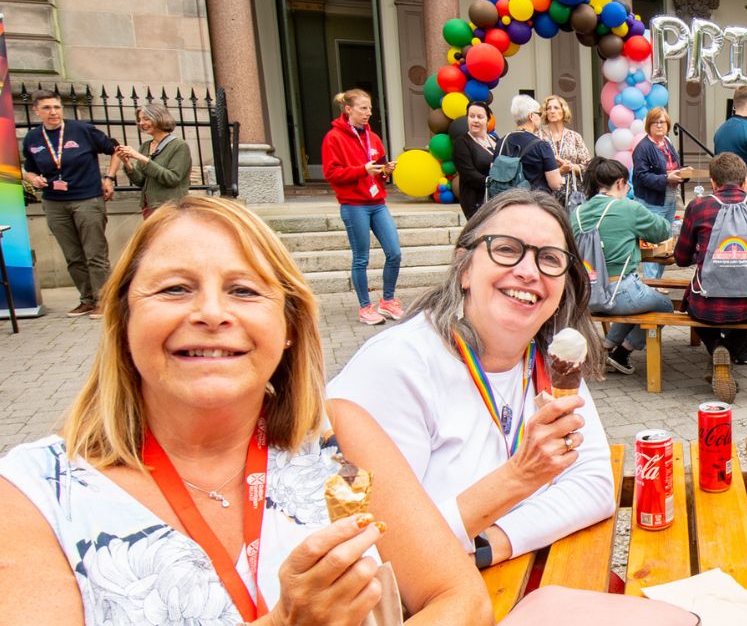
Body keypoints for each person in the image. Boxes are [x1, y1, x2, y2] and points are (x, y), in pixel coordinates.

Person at [0, 196, 492, 624]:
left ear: (289, 326)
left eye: (244, 290)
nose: (212, 313)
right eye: (175, 288)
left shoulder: (336, 436)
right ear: (123, 319)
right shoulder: (33, 494)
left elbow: (461, 598)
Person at [329, 189, 614, 570]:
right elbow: (374, 546)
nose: (529, 272)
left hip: (508, 576)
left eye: (549, 259)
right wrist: (519, 478)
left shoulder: (549, 359)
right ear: (464, 268)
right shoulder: (396, 366)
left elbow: (594, 486)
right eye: (508, 249)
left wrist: (491, 543)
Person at [674, 153, 747, 403]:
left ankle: (716, 348)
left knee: (690, 305)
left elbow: (681, 257)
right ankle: (730, 349)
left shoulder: (698, 206)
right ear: (745, 181)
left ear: (713, 183)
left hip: (706, 305)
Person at [20, 91, 118, 318]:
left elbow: (115, 151)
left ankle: (105, 301)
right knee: (73, 256)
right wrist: (32, 178)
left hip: (87, 199)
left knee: (95, 254)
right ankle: (87, 300)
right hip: (55, 203)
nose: (53, 112)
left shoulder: (82, 130)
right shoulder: (33, 138)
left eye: (56, 107)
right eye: (46, 108)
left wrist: (109, 178)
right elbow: (28, 168)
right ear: (36, 111)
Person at [572, 158, 673, 374]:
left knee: (636, 304)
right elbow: (663, 230)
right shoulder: (628, 208)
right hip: (620, 293)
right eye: (627, 185)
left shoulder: (577, 212)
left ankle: (605, 347)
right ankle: (622, 352)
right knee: (665, 306)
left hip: (584, 295)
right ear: (620, 183)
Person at [321, 89, 403, 326]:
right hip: (354, 205)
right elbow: (331, 173)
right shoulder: (334, 138)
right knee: (361, 258)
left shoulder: (373, 137)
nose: (368, 113)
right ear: (348, 110)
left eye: (370, 109)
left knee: (394, 252)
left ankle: (387, 300)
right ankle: (365, 307)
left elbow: (377, 167)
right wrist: (361, 171)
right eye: (363, 108)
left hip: (377, 203)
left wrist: (386, 170)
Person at [630, 107, 687, 279]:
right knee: (653, 243)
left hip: (669, 199)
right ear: (649, 125)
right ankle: (651, 282)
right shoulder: (643, 147)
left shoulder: (667, 142)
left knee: (665, 242)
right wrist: (665, 179)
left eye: (662, 122)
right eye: (655, 122)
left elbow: (674, 166)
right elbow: (640, 177)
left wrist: (683, 175)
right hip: (652, 201)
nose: (659, 125)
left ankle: (658, 282)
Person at [113, 102, 191, 217]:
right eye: (139, 120)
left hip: (170, 207)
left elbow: (172, 178)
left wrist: (141, 158)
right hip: (148, 206)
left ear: (159, 118)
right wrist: (126, 162)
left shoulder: (179, 145)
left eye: (146, 119)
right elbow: (141, 181)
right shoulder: (145, 146)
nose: (141, 123)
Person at [496, 94, 563, 195]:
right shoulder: (542, 146)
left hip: (506, 202)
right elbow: (556, 184)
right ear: (531, 116)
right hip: (533, 203)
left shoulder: (502, 142)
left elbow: (494, 171)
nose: (541, 117)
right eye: (539, 114)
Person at [537, 95, 591, 208]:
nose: (552, 111)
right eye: (548, 108)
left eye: (556, 108)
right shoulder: (539, 137)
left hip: (573, 193)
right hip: (547, 194)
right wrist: (559, 170)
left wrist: (570, 167)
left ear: (564, 111)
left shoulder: (575, 137)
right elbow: (534, 168)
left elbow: (588, 166)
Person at [452, 101, 499, 220]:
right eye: (471, 116)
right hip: (475, 201)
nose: (475, 120)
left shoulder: (495, 140)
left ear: (488, 120)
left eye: (480, 117)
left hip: (497, 197)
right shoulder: (462, 143)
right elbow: (469, 174)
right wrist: (493, 184)